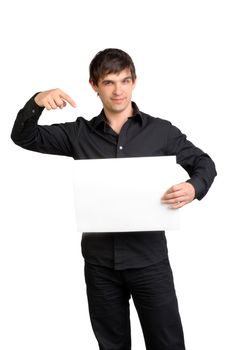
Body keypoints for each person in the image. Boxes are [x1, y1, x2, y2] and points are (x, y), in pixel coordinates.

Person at [11, 48, 217, 350]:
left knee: (168, 344)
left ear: (134, 82)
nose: (118, 90)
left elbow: (205, 163)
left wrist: (193, 187)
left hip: (150, 262)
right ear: (94, 85)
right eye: (109, 82)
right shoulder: (78, 134)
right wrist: (37, 100)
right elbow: (24, 137)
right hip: (100, 266)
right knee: (112, 346)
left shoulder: (161, 132)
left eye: (125, 80)